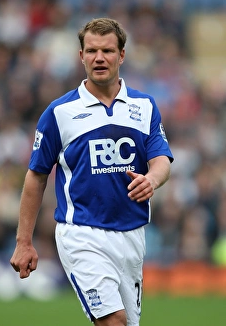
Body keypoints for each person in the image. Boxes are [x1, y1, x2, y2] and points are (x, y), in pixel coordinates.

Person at [10, 18, 174, 326]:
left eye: (108, 50)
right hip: (82, 233)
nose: (100, 58)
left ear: (122, 55)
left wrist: (152, 180)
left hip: (132, 234)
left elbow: (161, 159)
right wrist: (24, 240)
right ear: (81, 56)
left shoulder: (145, 106)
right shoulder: (60, 113)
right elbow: (36, 175)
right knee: (113, 322)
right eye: (92, 51)